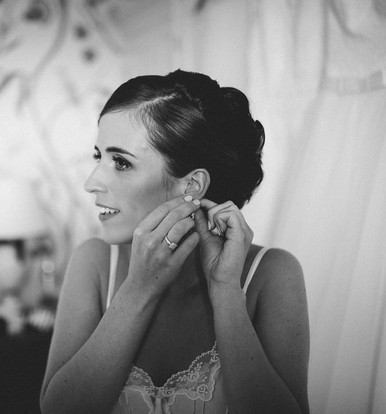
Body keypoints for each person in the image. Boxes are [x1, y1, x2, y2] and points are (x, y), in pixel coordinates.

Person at [40, 69, 309, 414]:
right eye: (99, 157)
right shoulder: (93, 262)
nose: (91, 183)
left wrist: (226, 292)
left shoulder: (272, 273)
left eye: (120, 162)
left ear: (192, 186)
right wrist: (139, 289)